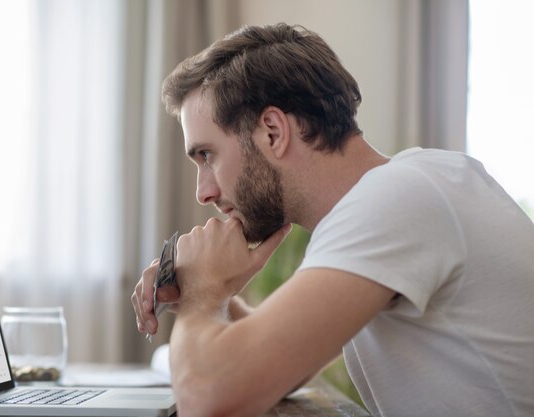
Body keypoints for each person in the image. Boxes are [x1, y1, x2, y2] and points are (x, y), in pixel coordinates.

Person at [131, 23, 534, 417]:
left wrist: (206, 291)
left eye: (207, 155)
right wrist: (204, 288)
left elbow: (210, 400)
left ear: (272, 132)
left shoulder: (395, 199)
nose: (204, 192)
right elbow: (282, 368)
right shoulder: (397, 193)